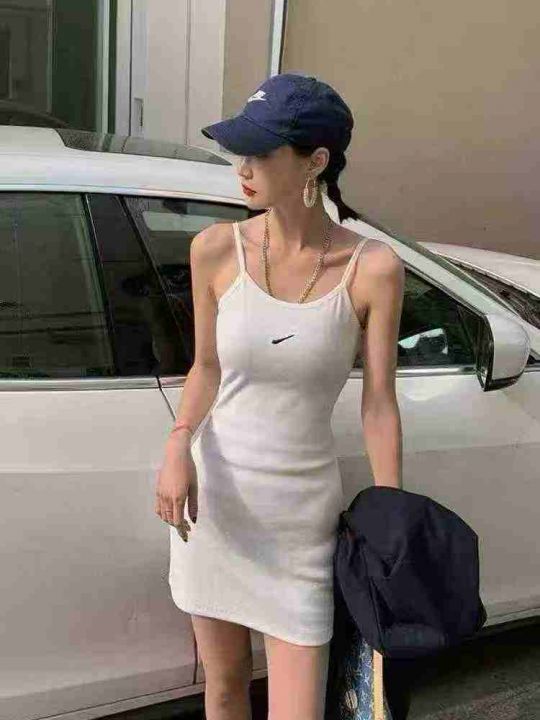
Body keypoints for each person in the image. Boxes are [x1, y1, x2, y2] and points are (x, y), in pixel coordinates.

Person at [154, 73, 405, 720]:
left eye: (261, 153)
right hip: (214, 507)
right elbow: (205, 367)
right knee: (223, 689)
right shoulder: (215, 250)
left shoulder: (373, 267)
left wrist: (392, 513)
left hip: (300, 524)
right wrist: (178, 443)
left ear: (315, 162)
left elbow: (378, 401)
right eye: (240, 152)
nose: (243, 168)